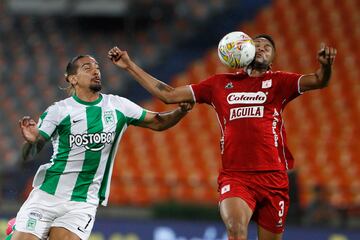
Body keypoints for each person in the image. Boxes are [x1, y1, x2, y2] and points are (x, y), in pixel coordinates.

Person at [108, 34, 337, 240]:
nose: (261, 48)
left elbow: (318, 80)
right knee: (236, 230)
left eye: (267, 47)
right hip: (236, 177)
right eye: (256, 44)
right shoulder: (219, 84)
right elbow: (169, 95)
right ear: (242, 50)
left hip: (273, 178)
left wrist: (326, 67)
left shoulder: (280, 82)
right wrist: (129, 65)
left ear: (273, 57)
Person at [13, 55, 193, 240]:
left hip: (82, 203)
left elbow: (158, 122)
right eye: (87, 67)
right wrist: (31, 141)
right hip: (47, 196)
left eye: (97, 67)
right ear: (72, 78)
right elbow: (31, 151)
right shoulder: (59, 110)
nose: (95, 71)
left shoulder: (118, 106)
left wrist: (181, 111)